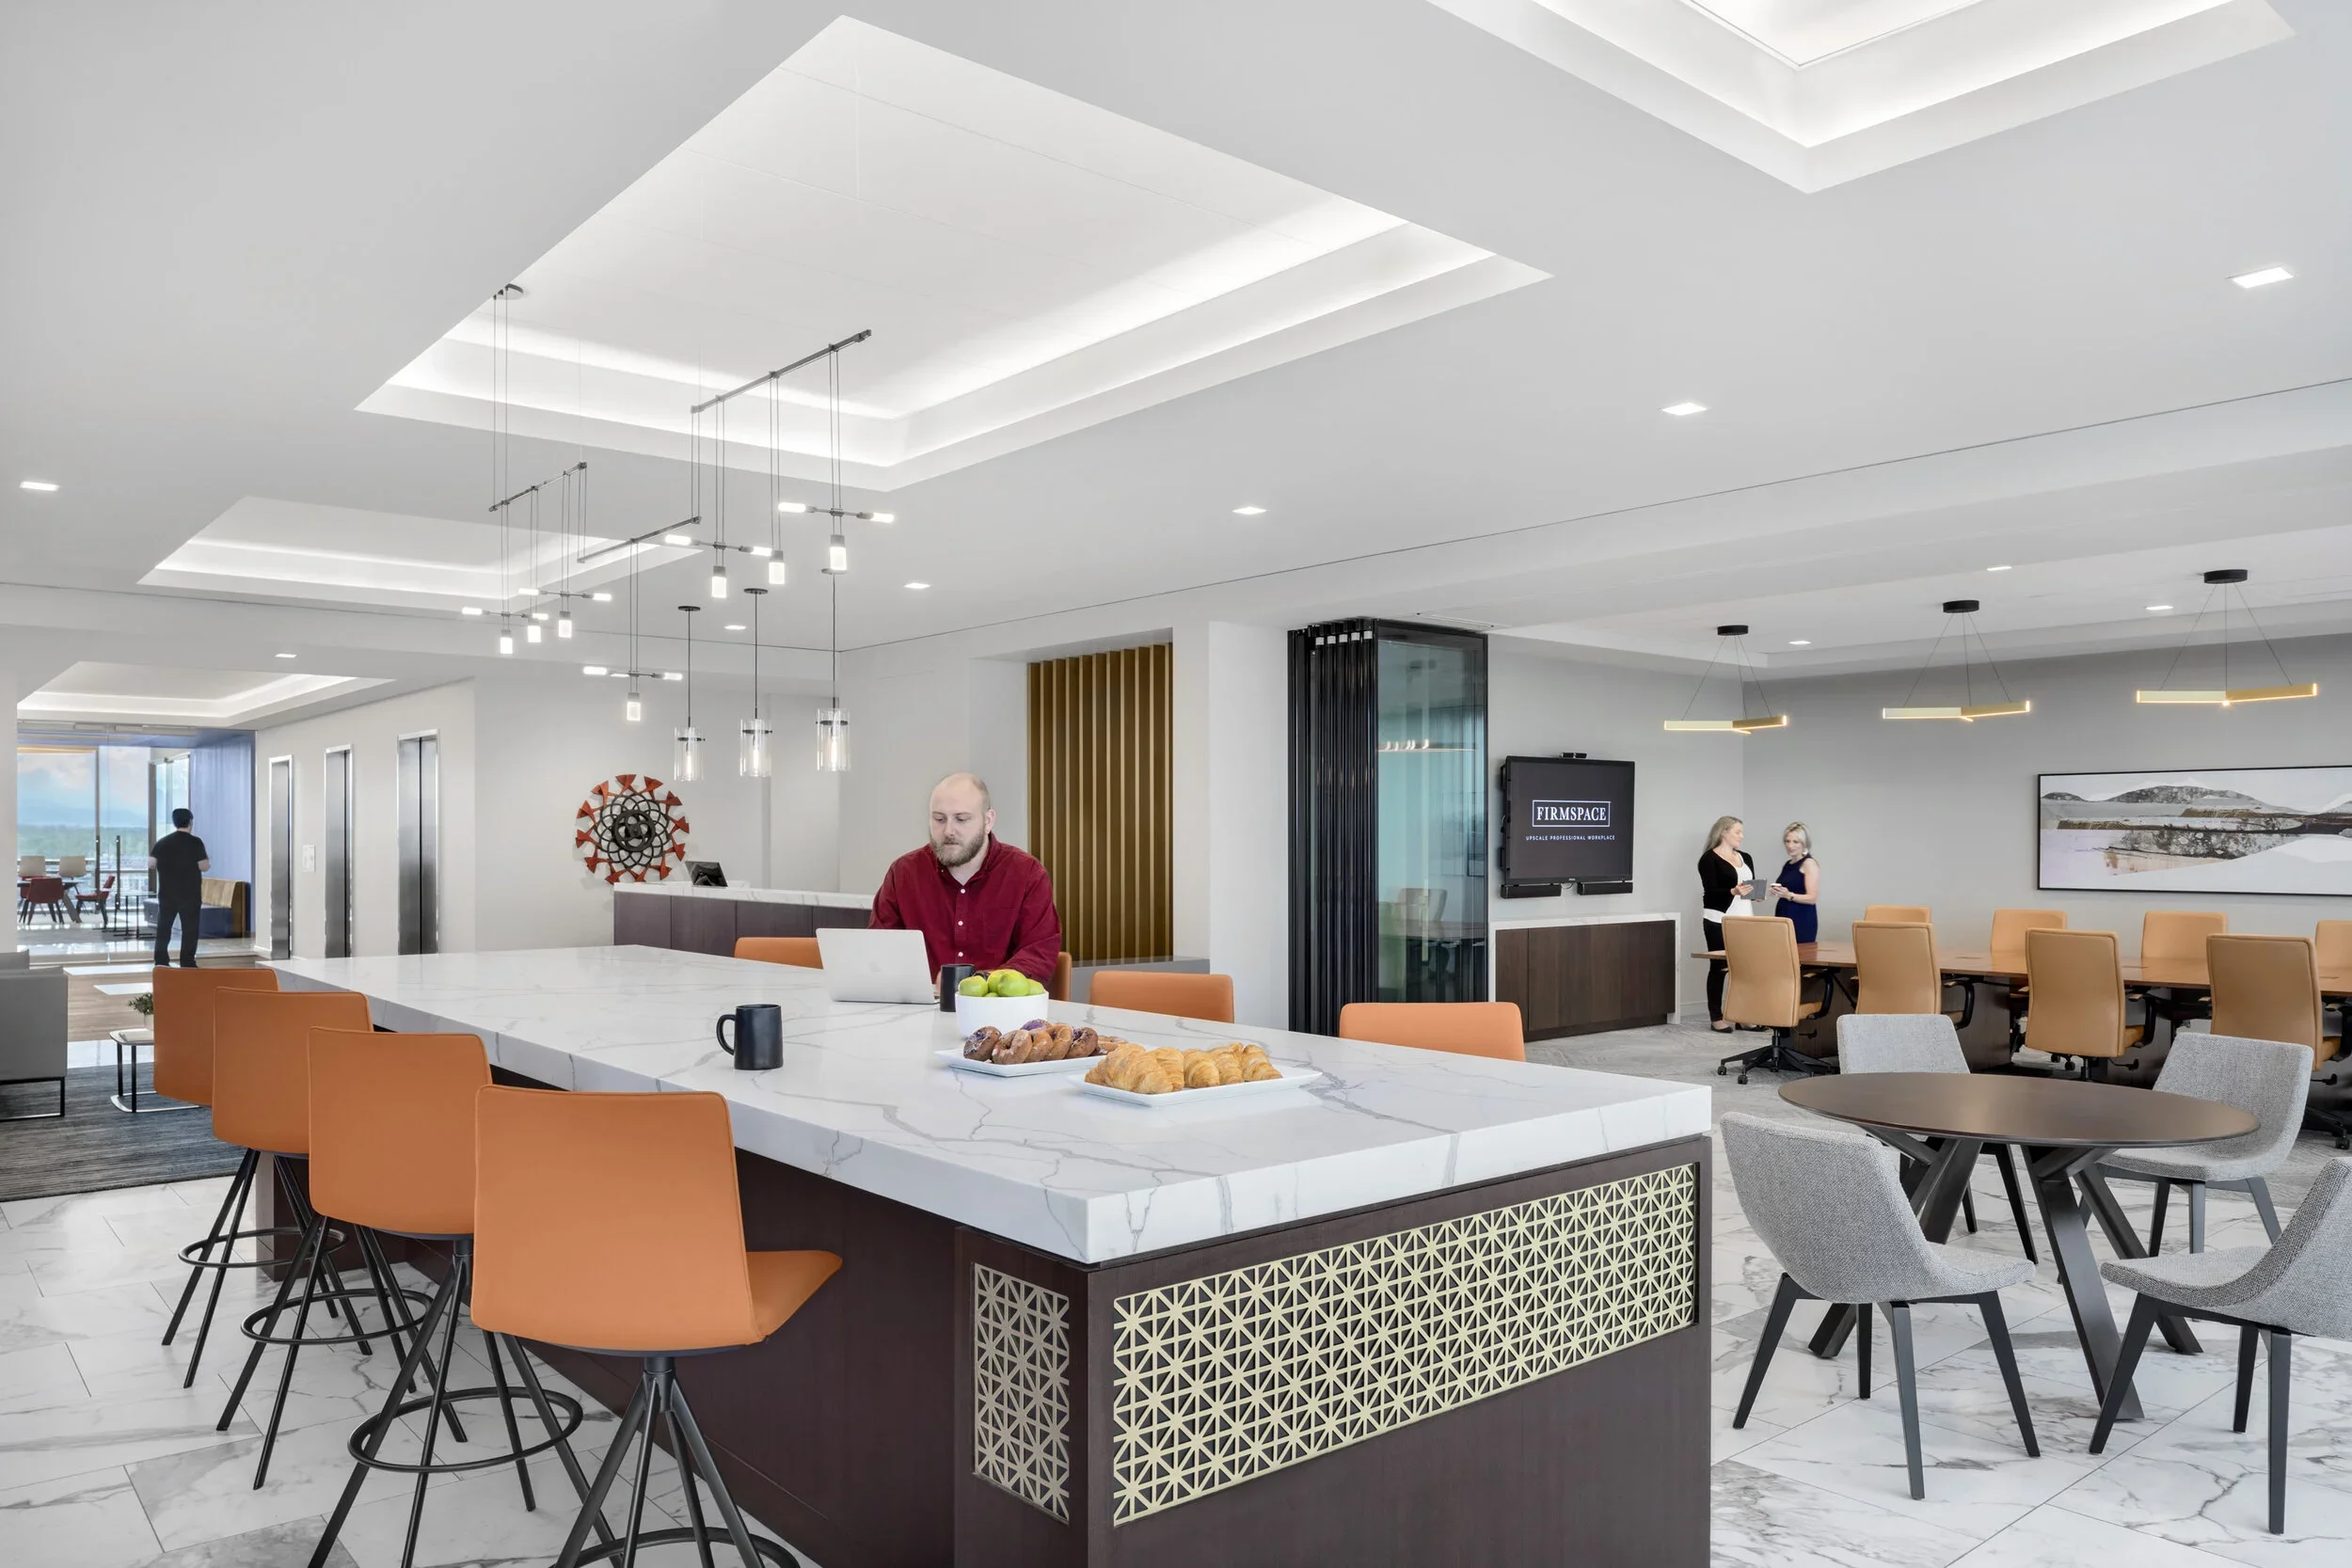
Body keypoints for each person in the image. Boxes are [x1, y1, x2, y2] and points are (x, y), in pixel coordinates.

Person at [870, 772, 1062, 985]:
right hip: (919, 1010)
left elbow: (1038, 954)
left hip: (998, 1010)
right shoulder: (904, 873)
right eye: (939, 819)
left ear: (988, 821)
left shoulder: (1026, 874)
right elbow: (880, 949)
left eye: (961, 819)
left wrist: (979, 982)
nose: (948, 831)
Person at [1697, 816, 1755, 1031]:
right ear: (1724, 832)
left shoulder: (1746, 857)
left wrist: (1755, 894)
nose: (1741, 836)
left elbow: (1748, 887)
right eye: (1737, 831)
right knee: (1720, 967)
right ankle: (1716, 1017)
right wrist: (1733, 891)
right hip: (1718, 919)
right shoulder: (1708, 859)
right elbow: (1710, 891)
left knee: (1744, 970)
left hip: (1745, 920)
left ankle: (1742, 1016)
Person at [149, 807, 210, 969]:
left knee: (164, 928)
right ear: (190, 822)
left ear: (175, 822)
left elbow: (151, 864)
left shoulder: (163, 842)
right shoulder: (195, 842)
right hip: (190, 894)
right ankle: (187, 962)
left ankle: (161, 961)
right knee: (189, 930)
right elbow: (204, 866)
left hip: (167, 894)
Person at [1767, 822, 1821, 944]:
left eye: (1796, 842)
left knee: (1799, 957)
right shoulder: (1788, 864)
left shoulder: (1809, 863)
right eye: (1787, 841)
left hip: (1801, 918)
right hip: (1783, 915)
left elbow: (1812, 898)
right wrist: (1777, 892)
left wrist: (1788, 895)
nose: (1790, 846)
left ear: (1804, 843)